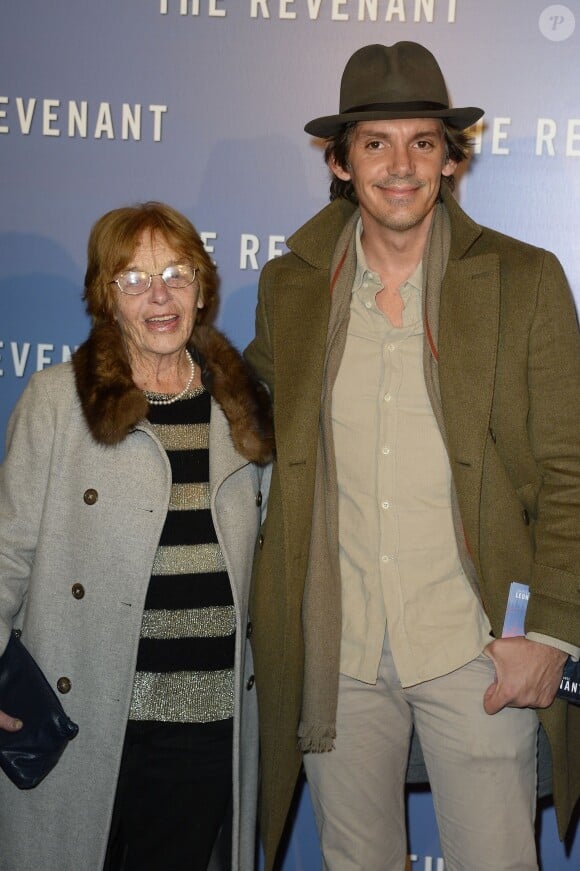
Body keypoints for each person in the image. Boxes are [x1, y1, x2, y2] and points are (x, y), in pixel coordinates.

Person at [245, 42, 580, 870]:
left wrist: (552, 634)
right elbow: (245, 413)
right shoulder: (292, 286)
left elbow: (572, 470)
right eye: (375, 144)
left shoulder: (525, 278)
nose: (400, 165)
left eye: (423, 142)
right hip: (338, 650)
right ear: (339, 161)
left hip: (473, 646)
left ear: (450, 160)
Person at [0, 201, 273, 871]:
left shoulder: (243, 409)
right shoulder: (57, 401)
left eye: (177, 273)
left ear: (202, 288)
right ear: (107, 297)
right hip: (83, 711)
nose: (160, 295)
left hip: (205, 719)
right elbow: (7, 551)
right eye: (134, 278)